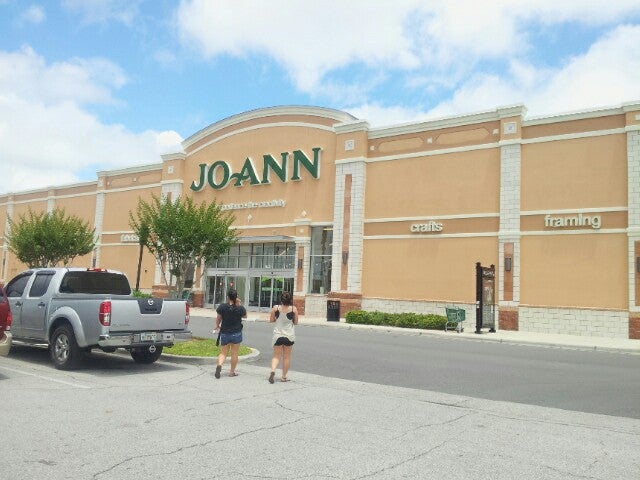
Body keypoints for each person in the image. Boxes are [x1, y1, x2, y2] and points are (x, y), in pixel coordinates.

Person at [213, 288, 247, 378]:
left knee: (223, 352)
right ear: (237, 297)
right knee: (234, 353)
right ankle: (232, 372)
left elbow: (218, 318)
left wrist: (217, 326)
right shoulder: (240, 308)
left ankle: (219, 365)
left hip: (225, 332)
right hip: (236, 333)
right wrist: (239, 304)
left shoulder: (222, 307)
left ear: (228, 297)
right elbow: (245, 316)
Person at [268, 291, 299, 383]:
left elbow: (271, 320)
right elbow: (296, 322)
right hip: (289, 336)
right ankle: (284, 377)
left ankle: (273, 371)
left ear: (281, 299)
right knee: (286, 357)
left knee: (276, 356)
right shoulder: (294, 309)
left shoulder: (276, 308)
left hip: (278, 335)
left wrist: (278, 319)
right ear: (290, 299)